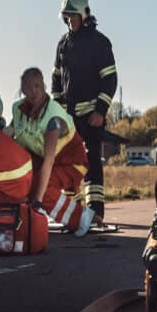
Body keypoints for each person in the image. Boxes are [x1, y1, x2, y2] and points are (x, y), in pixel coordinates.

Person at [51, 0, 118, 224]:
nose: (69, 21)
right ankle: (71, 211)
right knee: (68, 161)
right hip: (69, 118)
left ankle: (96, 211)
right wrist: (58, 112)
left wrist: (100, 111)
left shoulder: (99, 43)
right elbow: (56, 79)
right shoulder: (63, 44)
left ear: (84, 15)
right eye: (66, 17)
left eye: (72, 16)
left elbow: (110, 79)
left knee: (91, 162)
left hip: (92, 116)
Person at [10, 67, 94, 237]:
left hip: (71, 162)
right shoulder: (18, 109)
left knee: (43, 188)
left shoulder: (53, 117)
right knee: (23, 178)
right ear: (22, 90)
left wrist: (38, 201)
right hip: (45, 160)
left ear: (44, 87)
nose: (33, 92)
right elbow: (11, 134)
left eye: (37, 86)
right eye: (28, 87)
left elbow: (49, 160)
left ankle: (81, 217)